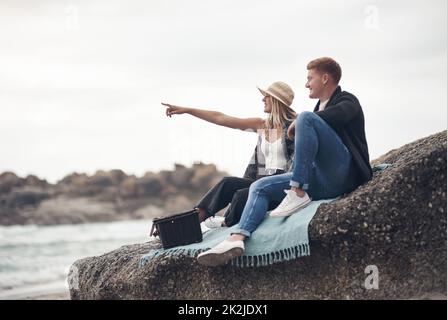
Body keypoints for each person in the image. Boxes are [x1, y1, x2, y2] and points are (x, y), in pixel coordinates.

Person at [197, 57, 373, 267]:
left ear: (325, 78)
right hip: (322, 181)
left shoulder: (346, 100)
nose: (306, 84)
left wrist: (301, 122)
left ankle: (297, 192)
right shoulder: (311, 113)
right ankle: (236, 239)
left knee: (306, 117)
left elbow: (341, 114)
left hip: (344, 174)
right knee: (259, 186)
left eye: (310, 78)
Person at [162, 81, 297, 229]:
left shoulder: (293, 127)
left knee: (242, 195)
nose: (263, 99)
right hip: (257, 183)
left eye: (267, 96)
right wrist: (187, 110)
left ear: (277, 101)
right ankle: (189, 223)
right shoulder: (264, 126)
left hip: (278, 189)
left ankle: (226, 222)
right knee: (228, 183)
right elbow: (220, 118)